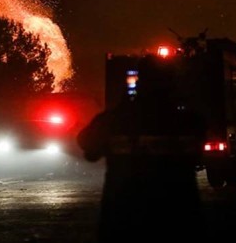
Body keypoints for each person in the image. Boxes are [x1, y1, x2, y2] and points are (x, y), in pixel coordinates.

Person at [77, 54, 207, 242]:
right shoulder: (190, 122)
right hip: (178, 219)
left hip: (124, 219)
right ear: (173, 82)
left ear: (139, 80)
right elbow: (196, 156)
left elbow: (88, 148)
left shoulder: (114, 120)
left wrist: (122, 105)